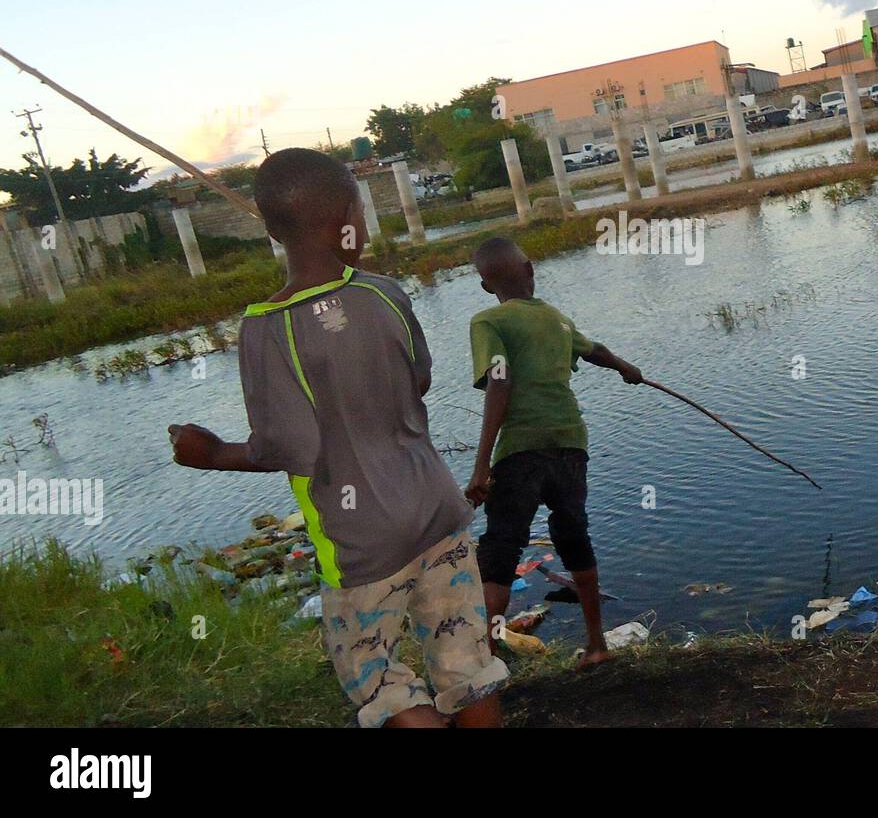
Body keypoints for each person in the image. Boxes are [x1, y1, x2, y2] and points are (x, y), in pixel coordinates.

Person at [168, 148, 508, 726]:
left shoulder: (265, 326)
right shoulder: (387, 294)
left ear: (273, 230)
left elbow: (284, 448)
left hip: (359, 543)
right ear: (352, 213)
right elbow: (417, 381)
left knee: (383, 683)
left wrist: (207, 453)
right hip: (436, 509)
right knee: (466, 662)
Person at [465, 237, 641, 668]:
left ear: (486, 286)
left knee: (501, 548)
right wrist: (624, 367)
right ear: (530, 270)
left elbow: (500, 381)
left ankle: (485, 663)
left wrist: (481, 464)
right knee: (573, 537)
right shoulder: (556, 318)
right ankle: (597, 645)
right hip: (569, 445)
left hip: (521, 451)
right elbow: (593, 349)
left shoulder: (488, 320)